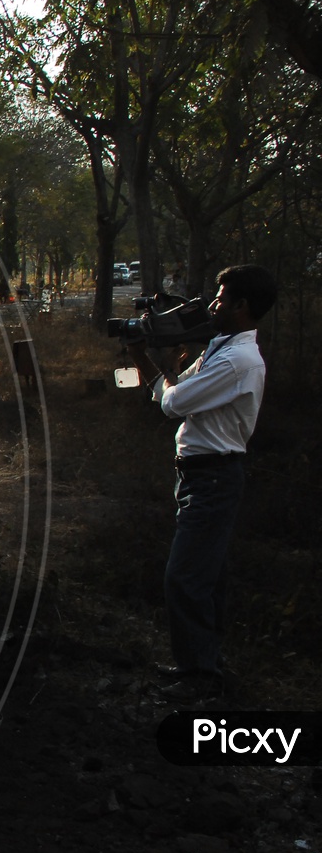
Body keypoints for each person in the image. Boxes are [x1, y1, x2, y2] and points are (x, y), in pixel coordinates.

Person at [127, 264, 274, 701]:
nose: (213, 305)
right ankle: (202, 665)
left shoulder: (236, 360)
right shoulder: (220, 349)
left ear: (242, 305)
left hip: (214, 477)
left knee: (185, 578)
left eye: (222, 297)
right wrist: (158, 362)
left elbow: (174, 403)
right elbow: (170, 393)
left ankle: (199, 677)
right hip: (200, 475)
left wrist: (153, 361)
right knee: (205, 577)